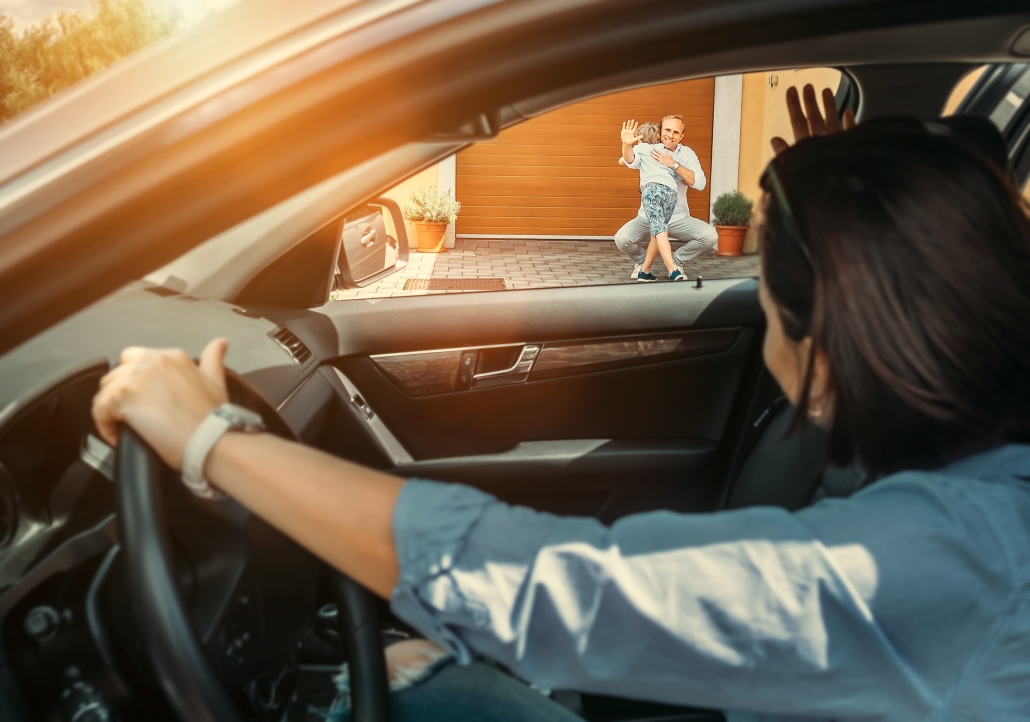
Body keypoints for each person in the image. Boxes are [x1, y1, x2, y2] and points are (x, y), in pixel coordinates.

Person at [92, 85, 1030, 720]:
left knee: (423, 697)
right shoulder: (973, 494)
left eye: (769, 294)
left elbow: (566, 594)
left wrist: (210, 437)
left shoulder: (954, 556)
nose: (757, 312)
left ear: (826, 341)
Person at [614, 114, 717, 279]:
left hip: (677, 218)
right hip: (647, 217)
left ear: (682, 136)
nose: (670, 135)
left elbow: (699, 183)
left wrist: (674, 165)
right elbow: (628, 160)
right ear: (661, 130)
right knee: (622, 238)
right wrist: (626, 144)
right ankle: (643, 261)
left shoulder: (686, 154)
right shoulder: (650, 149)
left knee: (710, 236)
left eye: (676, 132)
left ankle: (676, 261)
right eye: (667, 130)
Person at [620, 120, 686, 282]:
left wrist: (627, 145)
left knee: (660, 231)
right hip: (671, 193)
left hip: (652, 191)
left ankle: (672, 270)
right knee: (656, 232)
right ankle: (645, 272)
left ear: (640, 139)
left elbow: (624, 160)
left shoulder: (640, 148)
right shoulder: (667, 153)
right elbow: (678, 175)